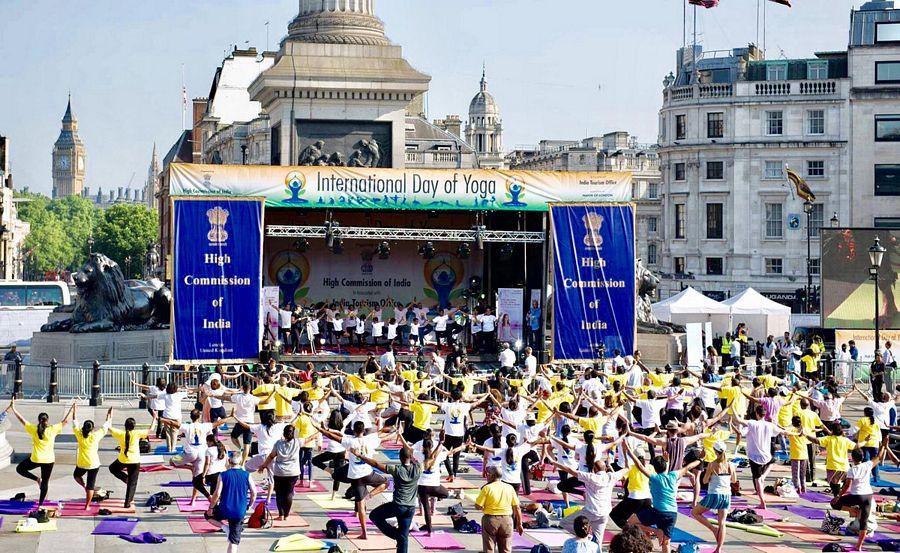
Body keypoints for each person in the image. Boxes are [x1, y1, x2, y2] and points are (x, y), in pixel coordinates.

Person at [623, 442, 701, 553]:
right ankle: (658, 531)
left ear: (654, 468)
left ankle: (655, 530)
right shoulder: (673, 475)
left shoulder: (654, 478)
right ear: (665, 466)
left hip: (658, 512)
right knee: (666, 543)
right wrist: (700, 460)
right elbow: (688, 466)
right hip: (672, 514)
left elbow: (639, 466)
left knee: (631, 521)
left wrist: (628, 450)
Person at [548, 455, 625, 551]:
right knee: (598, 544)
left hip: (591, 511)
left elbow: (569, 470)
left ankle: (586, 536)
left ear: (594, 469)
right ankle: (592, 543)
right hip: (604, 513)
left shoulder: (591, 477)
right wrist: (628, 455)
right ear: (605, 468)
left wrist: (554, 462)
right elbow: (626, 469)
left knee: (564, 522)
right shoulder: (611, 476)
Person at [8, 398, 72, 506]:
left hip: (36, 459)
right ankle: (40, 505)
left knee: (20, 469)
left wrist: (13, 408)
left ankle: (37, 479)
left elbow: (22, 420)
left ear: (39, 420)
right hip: (49, 460)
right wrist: (72, 410)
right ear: (47, 421)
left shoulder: (34, 429)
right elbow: (65, 421)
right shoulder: (52, 429)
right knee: (45, 483)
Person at [831, 446, 889, 552]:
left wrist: (838, 496)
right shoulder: (867, 464)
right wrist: (884, 446)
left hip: (857, 496)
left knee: (834, 504)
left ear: (852, 458)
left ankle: (853, 510)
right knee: (864, 522)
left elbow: (847, 485)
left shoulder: (852, 469)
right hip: (868, 496)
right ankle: (859, 546)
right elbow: (879, 457)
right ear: (862, 457)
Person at [206, 451, 257, 553]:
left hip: (224, 509)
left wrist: (211, 508)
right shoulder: (247, 475)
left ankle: (224, 527)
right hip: (239, 512)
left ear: (229, 461)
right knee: (233, 542)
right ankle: (226, 529)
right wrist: (250, 505)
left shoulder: (223, 475)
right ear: (241, 461)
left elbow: (217, 493)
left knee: (208, 516)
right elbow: (254, 492)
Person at [690, 442, 735, 553]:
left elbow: (705, 480)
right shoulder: (730, 465)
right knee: (722, 523)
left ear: (715, 451)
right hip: (726, 495)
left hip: (714, 494)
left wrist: (710, 477)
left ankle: (713, 529)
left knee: (695, 512)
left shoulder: (712, 464)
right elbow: (734, 480)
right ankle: (719, 549)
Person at [474, 465, 524, 553]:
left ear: (492, 476)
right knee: (506, 549)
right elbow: (517, 507)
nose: (487, 475)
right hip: (507, 520)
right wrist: (519, 524)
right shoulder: (509, 488)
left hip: (490, 520)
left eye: (488, 474)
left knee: (489, 549)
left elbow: (478, 506)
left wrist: (483, 506)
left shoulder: (487, 488)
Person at [72, 404, 113, 510]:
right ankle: (87, 506)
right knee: (91, 485)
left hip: (82, 463)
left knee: (76, 476)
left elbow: (74, 422)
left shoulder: (79, 435)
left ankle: (84, 486)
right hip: (94, 464)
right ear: (93, 428)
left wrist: (74, 410)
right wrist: (109, 415)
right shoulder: (96, 435)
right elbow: (106, 425)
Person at [259, 424, 301, 520]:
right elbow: (310, 438)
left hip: (279, 473)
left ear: (284, 434)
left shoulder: (278, 443)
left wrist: (263, 465)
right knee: (289, 493)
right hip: (293, 473)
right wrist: (320, 430)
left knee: (279, 493)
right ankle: (286, 515)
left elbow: (271, 456)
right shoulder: (298, 442)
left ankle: (281, 515)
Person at [109, 416, 149, 508]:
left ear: (125, 426)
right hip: (135, 461)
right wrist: (155, 418)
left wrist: (109, 417)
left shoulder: (121, 434)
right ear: (134, 426)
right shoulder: (137, 433)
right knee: (132, 483)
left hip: (123, 459)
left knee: (112, 468)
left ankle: (125, 478)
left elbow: (109, 428)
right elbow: (151, 429)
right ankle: (127, 503)